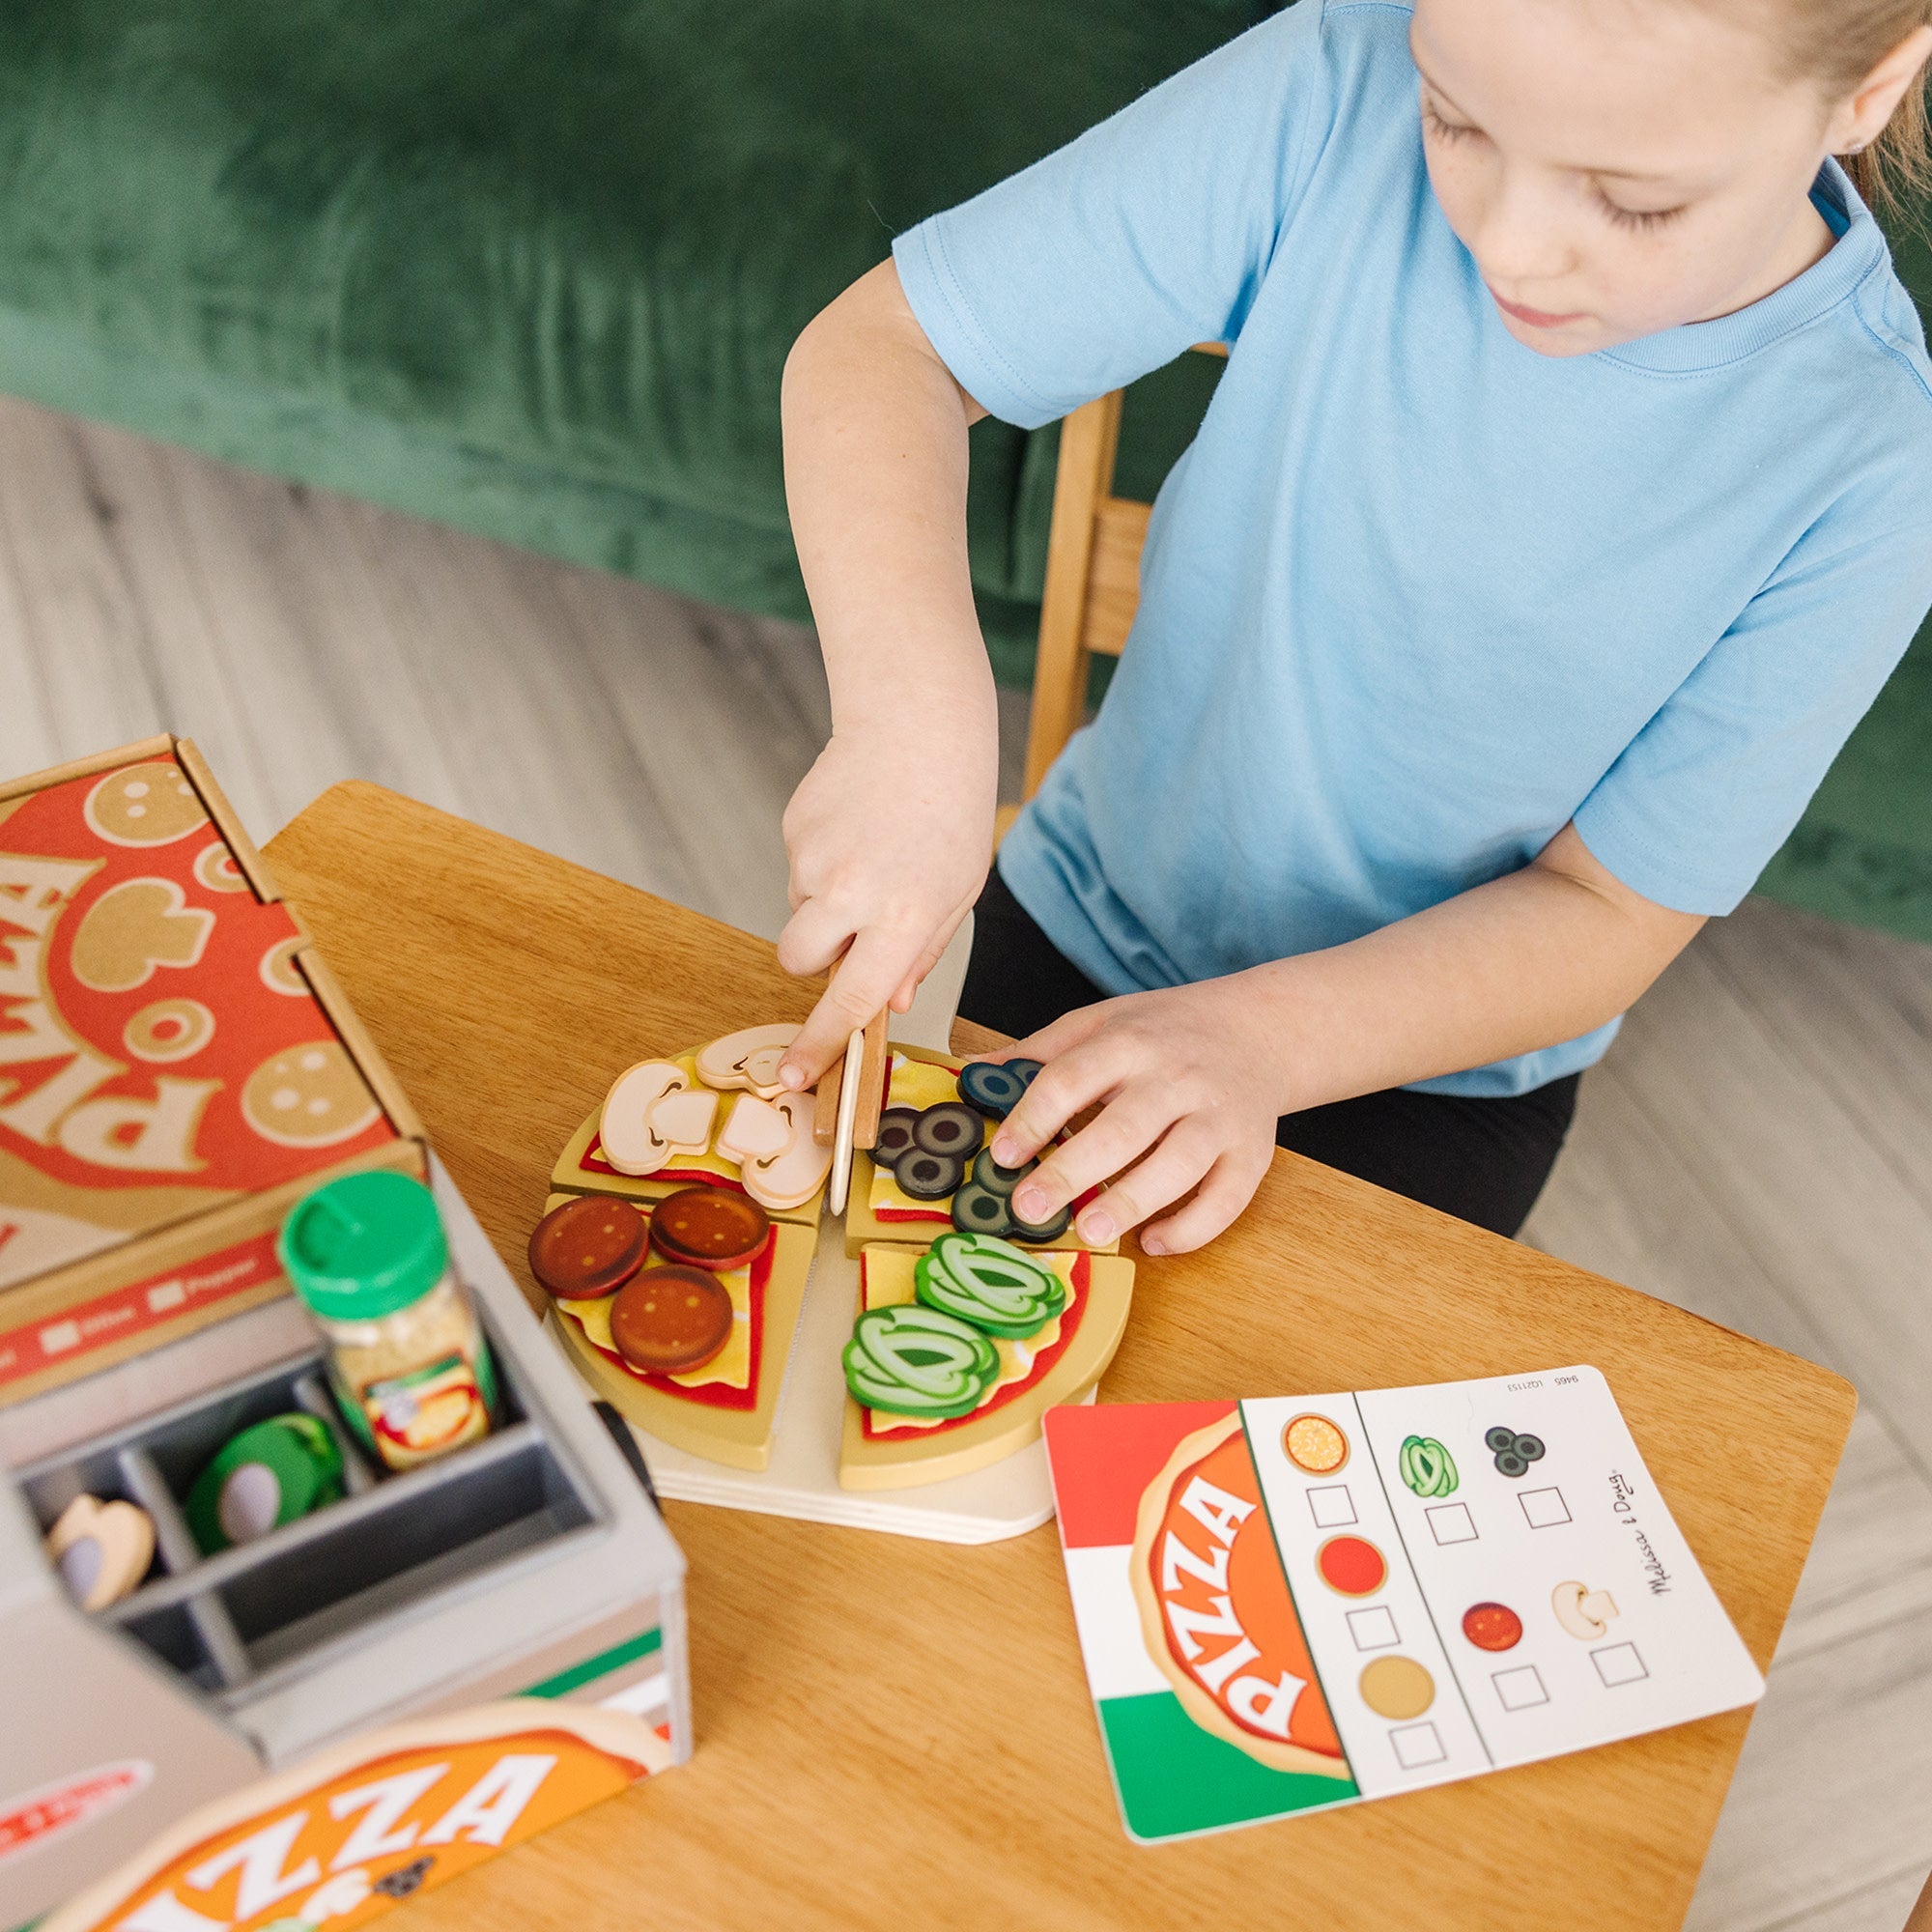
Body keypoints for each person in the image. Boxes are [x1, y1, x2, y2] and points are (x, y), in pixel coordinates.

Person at [770, 0, 1932, 1247]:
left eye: (1633, 201)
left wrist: (1255, 1042)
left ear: (1868, 89)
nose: (1507, 245)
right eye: (1454, 120)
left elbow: (1608, 911)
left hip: (1434, 1069)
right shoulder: (1338, 76)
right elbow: (888, 347)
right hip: (1087, 920)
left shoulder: (1875, 465)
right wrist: (912, 723)